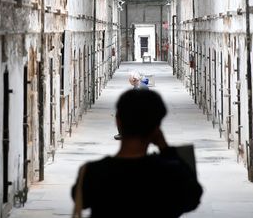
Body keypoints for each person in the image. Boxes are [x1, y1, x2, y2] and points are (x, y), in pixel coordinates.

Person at [73, 89, 203, 218]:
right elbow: (193, 198)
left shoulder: (92, 173)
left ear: (118, 121)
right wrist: (166, 149)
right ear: (156, 128)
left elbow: (80, 200)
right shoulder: (170, 173)